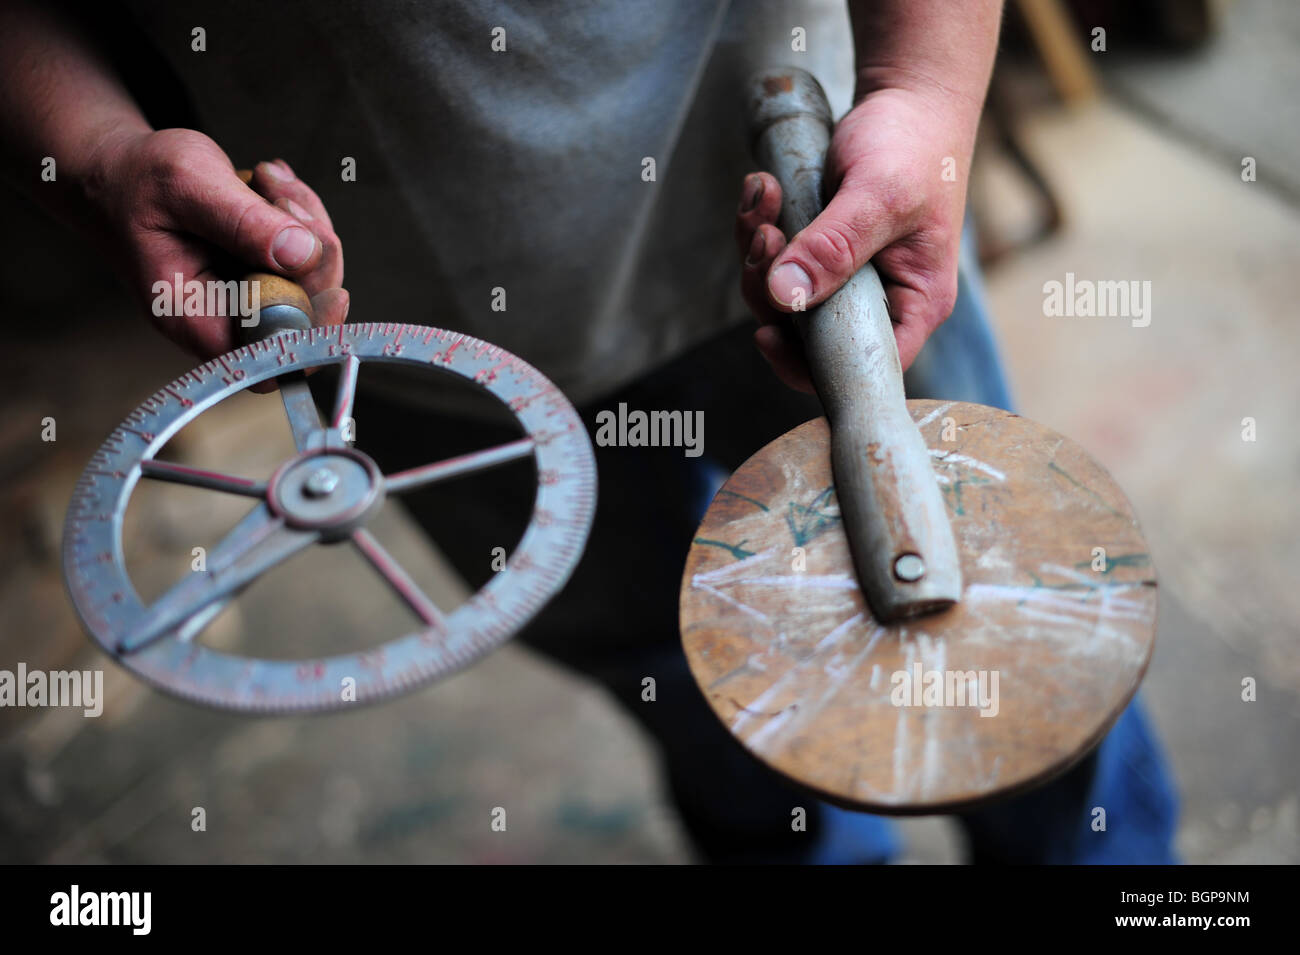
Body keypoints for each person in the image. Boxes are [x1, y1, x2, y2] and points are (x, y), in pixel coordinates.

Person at [0, 0, 1177, 862]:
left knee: (1008, 650)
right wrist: (97, 151)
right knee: (688, 685)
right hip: (419, 347)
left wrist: (925, 85)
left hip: (833, 209)